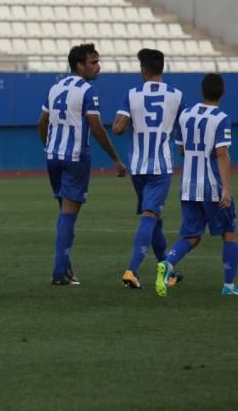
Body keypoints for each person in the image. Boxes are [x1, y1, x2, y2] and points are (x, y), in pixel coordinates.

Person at [37, 43, 127, 286]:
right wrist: (116, 159)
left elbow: (41, 123)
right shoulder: (88, 91)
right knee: (69, 217)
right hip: (76, 158)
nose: (99, 67)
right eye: (93, 62)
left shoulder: (54, 88)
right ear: (79, 65)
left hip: (53, 157)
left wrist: (49, 146)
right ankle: (58, 272)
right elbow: (96, 127)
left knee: (64, 214)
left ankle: (66, 269)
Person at [156, 73, 238, 298]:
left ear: (201, 92)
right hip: (211, 186)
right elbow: (222, 154)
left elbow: (181, 149)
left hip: (188, 185)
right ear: (223, 92)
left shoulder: (186, 115)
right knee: (229, 232)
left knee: (191, 236)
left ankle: (167, 263)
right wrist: (226, 188)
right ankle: (229, 286)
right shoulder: (221, 118)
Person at [112, 48, 185, 290]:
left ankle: (168, 268)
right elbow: (182, 135)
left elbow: (117, 128)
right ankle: (132, 270)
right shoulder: (177, 95)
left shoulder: (131, 94)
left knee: (154, 218)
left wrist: (133, 118)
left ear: (143, 70)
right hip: (161, 167)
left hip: (138, 166)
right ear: (162, 68)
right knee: (150, 216)